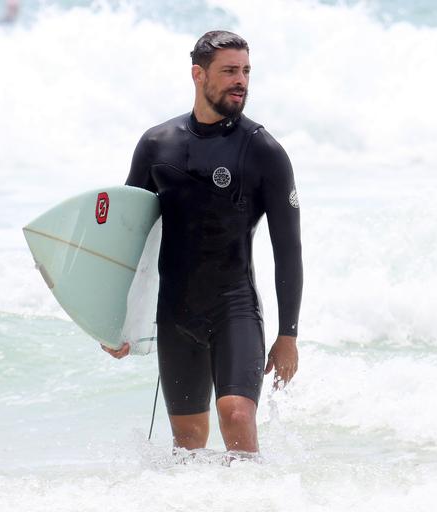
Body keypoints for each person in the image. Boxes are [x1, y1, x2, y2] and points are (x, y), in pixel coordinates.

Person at [101, 30, 303, 455]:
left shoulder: (263, 151)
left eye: (246, 71)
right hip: (176, 314)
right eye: (229, 71)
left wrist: (288, 334)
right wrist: (114, 321)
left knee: (237, 414)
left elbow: (289, 249)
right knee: (188, 444)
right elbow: (127, 237)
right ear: (198, 74)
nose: (241, 81)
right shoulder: (158, 145)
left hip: (235, 307)